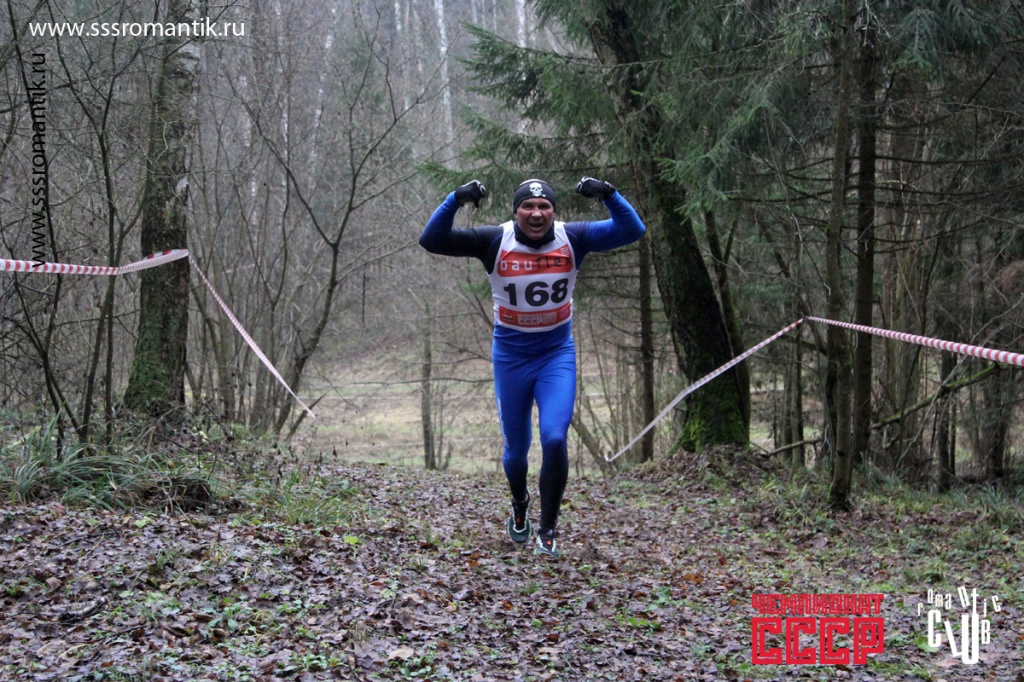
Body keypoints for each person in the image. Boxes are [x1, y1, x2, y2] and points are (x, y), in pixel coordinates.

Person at [419, 177, 646, 557]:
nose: (536, 213)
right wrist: (455, 199)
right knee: (516, 452)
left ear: (554, 212)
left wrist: (609, 194)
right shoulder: (495, 240)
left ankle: (548, 530)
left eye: (544, 207)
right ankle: (520, 502)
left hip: (556, 354)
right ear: (516, 211)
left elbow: (631, 230)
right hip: (511, 358)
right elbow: (432, 240)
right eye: (528, 206)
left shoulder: (574, 238)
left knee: (554, 438)